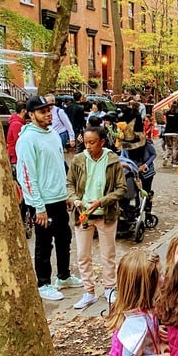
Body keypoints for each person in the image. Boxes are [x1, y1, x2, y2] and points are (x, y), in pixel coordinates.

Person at [16, 96, 82, 301]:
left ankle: (63, 276)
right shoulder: (27, 139)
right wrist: (38, 206)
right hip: (42, 201)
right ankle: (43, 282)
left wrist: (67, 194)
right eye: (42, 111)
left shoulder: (53, 133)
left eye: (49, 110)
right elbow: (27, 176)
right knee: (44, 243)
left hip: (59, 197)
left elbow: (59, 165)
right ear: (31, 114)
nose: (47, 114)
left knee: (64, 238)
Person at [67, 125, 127, 309]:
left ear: (102, 142)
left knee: (108, 254)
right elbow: (69, 184)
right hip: (83, 215)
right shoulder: (78, 160)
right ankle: (89, 291)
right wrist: (76, 200)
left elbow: (121, 189)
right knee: (83, 255)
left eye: (92, 142)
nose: (88, 146)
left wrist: (101, 202)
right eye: (85, 142)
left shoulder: (112, 160)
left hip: (105, 215)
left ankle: (109, 288)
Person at [162, 102, 178, 167]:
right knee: (175, 148)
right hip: (175, 132)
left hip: (167, 132)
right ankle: (174, 162)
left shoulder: (167, 113)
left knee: (169, 147)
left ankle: (166, 157)